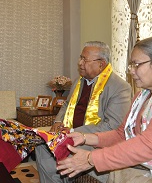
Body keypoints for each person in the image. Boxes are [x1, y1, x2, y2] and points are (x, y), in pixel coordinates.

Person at [57, 36, 152, 183]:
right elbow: (122, 135)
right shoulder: (142, 95)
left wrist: (90, 159)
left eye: (136, 64)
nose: (131, 71)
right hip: (151, 164)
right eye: (131, 65)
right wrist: (85, 137)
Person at [35, 41, 132, 182]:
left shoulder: (120, 87)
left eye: (84, 59)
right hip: (70, 133)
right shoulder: (79, 81)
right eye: (80, 58)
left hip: (93, 140)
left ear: (101, 64)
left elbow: (113, 126)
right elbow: (67, 104)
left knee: (57, 149)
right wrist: (58, 121)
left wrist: (73, 132)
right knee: (41, 145)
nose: (80, 63)